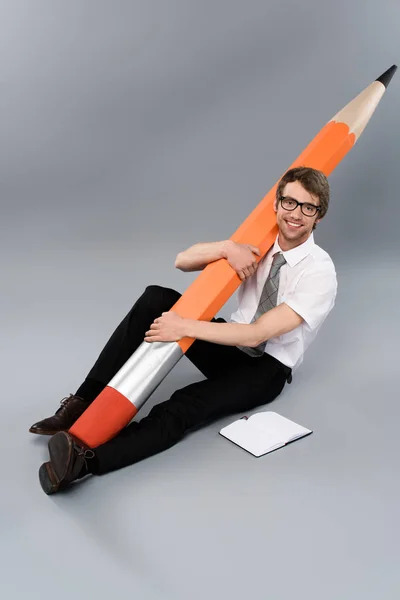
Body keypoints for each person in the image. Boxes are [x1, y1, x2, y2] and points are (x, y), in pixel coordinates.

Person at [32, 166, 337, 495]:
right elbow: (182, 260)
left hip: (266, 368)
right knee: (156, 298)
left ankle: (84, 462)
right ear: (276, 204)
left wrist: (183, 327)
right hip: (227, 342)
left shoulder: (320, 272)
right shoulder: (257, 243)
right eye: (290, 203)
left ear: (318, 217)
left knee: (185, 405)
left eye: (309, 207)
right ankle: (80, 404)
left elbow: (256, 335)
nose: (296, 214)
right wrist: (226, 248)